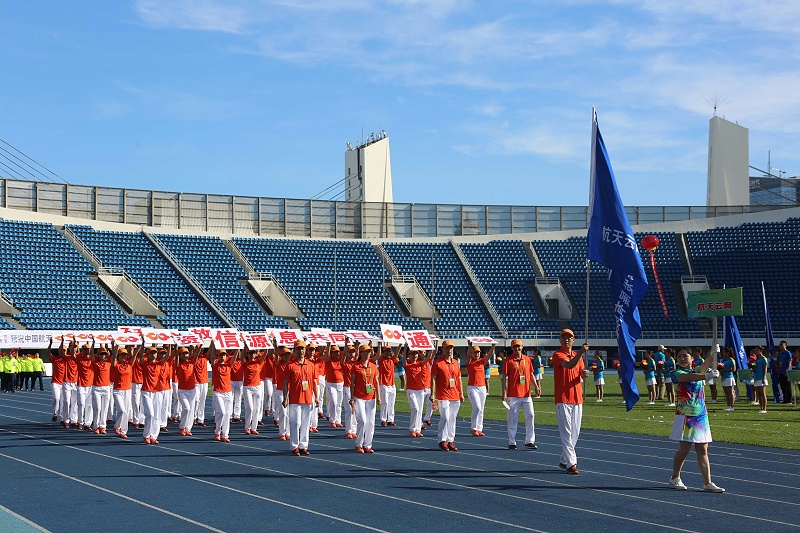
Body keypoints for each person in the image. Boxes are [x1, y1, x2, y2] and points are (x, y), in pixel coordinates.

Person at [668, 346, 725, 493]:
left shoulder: (697, 370)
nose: (681, 358)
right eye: (679, 356)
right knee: (685, 449)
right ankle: (675, 477)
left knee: (703, 449)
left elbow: (704, 366)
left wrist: (713, 353)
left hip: (700, 415)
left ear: (692, 359)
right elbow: (688, 378)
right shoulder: (676, 373)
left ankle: (708, 482)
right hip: (685, 415)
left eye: (685, 356)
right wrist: (706, 376)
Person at [551, 329, 589, 475]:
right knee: (566, 432)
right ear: (560, 340)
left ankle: (564, 459)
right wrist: (580, 352)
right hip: (563, 398)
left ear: (574, 339)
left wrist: (584, 374)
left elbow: (579, 373)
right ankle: (571, 463)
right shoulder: (558, 355)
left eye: (569, 338)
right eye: (564, 337)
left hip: (577, 398)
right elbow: (568, 365)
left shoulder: (578, 357)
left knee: (575, 433)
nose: (567, 340)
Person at [501, 339, 539, 450]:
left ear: (522, 347)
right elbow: (504, 377)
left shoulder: (527, 359)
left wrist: (536, 386)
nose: (516, 348)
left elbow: (531, 374)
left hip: (527, 394)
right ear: (512, 348)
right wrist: (504, 391)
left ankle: (529, 441)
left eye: (518, 346)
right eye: (514, 347)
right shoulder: (508, 360)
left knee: (531, 415)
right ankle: (512, 441)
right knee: (513, 419)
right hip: (513, 394)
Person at [283, 339, 317, 455]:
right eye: (298, 349)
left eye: (302, 348)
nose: (301, 351)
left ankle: (303, 446)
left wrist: (316, 397)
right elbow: (285, 383)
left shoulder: (311, 365)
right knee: (295, 422)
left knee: (306, 423)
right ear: (294, 350)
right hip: (295, 399)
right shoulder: (290, 366)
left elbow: (314, 382)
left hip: (307, 399)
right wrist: (285, 398)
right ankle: (294, 446)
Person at [431, 340, 463, 452]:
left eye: (451, 348)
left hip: (454, 395)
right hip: (443, 394)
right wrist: (432, 394)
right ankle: (442, 440)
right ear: (443, 349)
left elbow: (458, 379)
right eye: (447, 348)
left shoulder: (455, 362)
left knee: (453, 418)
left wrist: (461, 393)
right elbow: (433, 378)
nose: (449, 350)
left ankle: (450, 440)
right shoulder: (438, 362)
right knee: (445, 417)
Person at [350, 343, 380, 453]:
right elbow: (352, 383)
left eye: (369, 351)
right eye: (366, 351)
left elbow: (376, 382)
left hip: (371, 397)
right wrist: (352, 398)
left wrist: (379, 397)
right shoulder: (356, 366)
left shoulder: (373, 366)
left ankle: (368, 444)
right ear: (361, 353)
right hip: (359, 397)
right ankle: (359, 444)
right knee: (362, 420)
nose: (368, 353)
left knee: (371, 422)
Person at [211, 344, 239, 443]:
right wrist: (213, 345)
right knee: (221, 412)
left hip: (228, 392)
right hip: (218, 392)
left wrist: (238, 346)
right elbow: (211, 356)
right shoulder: (215, 365)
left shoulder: (229, 365)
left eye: (224, 355)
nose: (222, 357)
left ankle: (225, 434)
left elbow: (235, 355)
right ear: (217, 356)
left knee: (227, 414)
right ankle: (217, 431)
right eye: (220, 355)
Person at [404, 345, 434, 437]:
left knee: (419, 410)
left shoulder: (420, 364)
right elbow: (404, 359)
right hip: (411, 390)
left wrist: (430, 346)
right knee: (415, 409)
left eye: (416, 354)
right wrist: (405, 348)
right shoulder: (407, 365)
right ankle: (412, 429)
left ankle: (417, 429)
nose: (415, 356)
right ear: (409, 355)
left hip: (420, 390)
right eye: (413, 354)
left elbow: (429, 357)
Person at [466, 341, 493, 437]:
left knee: (481, 409)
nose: (477, 354)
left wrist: (492, 347)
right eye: (475, 352)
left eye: (478, 352)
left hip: (482, 387)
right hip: (473, 387)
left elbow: (488, 356)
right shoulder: (469, 363)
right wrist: (469, 347)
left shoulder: (481, 361)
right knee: (477, 407)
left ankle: (479, 428)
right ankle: (473, 428)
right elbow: (468, 357)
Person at [111, 344, 135, 439]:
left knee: (126, 411)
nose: (124, 356)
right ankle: (117, 426)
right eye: (122, 355)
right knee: (122, 410)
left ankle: (123, 431)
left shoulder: (129, 364)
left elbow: (135, 355)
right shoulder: (116, 365)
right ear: (119, 356)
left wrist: (139, 345)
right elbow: (113, 356)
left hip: (127, 390)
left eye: (125, 355)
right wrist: (114, 346)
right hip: (118, 390)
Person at [242, 347, 267, 435]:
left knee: (257, 409)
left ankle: (254, 428)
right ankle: (247, 427)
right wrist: (245, 345)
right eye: (250, 353)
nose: (251, 355)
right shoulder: (245, 363)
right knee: (250, 408)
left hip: (257, 387)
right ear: (247, 354)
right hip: (247, 387)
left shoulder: (258, 362)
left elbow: (265, 353)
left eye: (253, 353)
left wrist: (266, 345)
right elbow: (241, 355)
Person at [175, 345, 198, 436]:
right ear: (180, 355)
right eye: (183, 353)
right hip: (182, 391)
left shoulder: (191, 363)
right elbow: (176, 356)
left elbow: (196, 355)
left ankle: (188, 428)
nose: (185, 355)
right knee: (186, 408)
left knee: (191, 410)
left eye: (186, 353)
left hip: (192, 390)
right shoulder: (178, 365)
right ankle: (182, 427)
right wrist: (176, 346)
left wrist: (199, 346)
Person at [377, 344, 402, 427]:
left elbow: (397, 353)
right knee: (385, 403)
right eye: (386, 351)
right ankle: (383, 419)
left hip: (392, 384)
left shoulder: (392, 360)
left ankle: (390, 420)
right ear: (383, 352)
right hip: (383, 384)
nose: (388, 352)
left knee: (391, 403)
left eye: (389, 351)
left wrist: (400, 344)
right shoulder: (381, 360)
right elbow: (379, 355)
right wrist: (379, 345)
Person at [719, 347, 737, 411]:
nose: (722, 353)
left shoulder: (731, 360)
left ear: (727, 353)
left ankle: (731, 406)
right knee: (726, 392)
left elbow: (734, 369)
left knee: (730, 392)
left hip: (729, 377)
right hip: (724, 377)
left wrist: (725, 370)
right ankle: (728, 405)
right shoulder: (723, 360)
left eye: (724, 352)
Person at [753, 347, 769, 413]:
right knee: (758, 394)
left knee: (763, 393)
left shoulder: (763, 358)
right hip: (756, 377)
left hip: (761, 377)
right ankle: (761, 407)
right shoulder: (756, 359)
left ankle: (764, 408)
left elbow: (765, 368)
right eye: (755, 350)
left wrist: (763, 377)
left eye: (757, 350)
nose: (756, 351)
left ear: (761, 351)